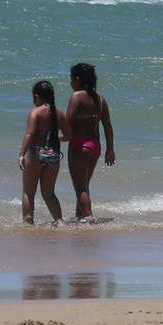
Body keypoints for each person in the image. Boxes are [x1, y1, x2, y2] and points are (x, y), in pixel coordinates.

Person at [67, 63, 115, 222]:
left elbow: (68, 124)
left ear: (78, 79)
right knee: (84, 186)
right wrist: (110, 150)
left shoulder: (77, 97)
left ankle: (89, 218)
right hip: (95, 147)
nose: (71, 83)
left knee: (80, 187)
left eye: (71, 79)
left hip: (79, 146)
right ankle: (79, 218)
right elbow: (107, 125)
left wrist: (54, 138)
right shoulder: (100, 99)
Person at [19, 79, 71, 225]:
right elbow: (68, 136)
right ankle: (60, 222)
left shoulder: (35, 112)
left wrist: (21, 154)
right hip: (53, 154)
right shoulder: (59, 113)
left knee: (29, 192)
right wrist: (55, 140)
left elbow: (29, 134)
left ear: (37, 96)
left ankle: (28, 222)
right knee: (49, 194)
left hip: (36, 153)